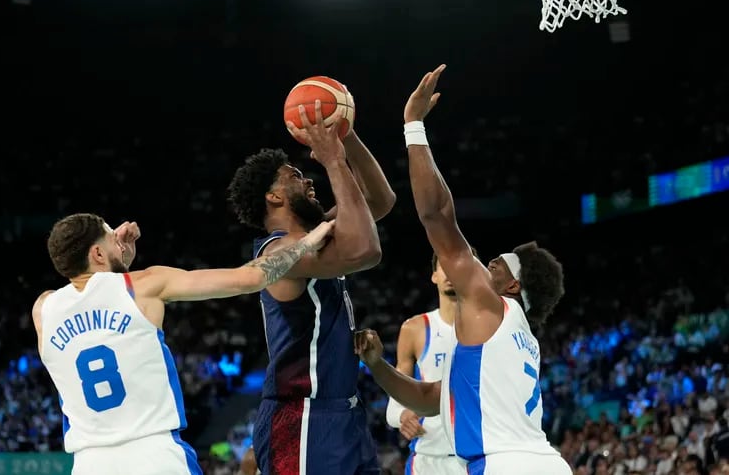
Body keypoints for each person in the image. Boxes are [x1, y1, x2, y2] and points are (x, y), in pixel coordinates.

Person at [354, 65, 571, 475]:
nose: (487, 262)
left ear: (513, 284)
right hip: (542, 462)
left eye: (498, 263)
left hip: (505, 466)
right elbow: (429, 398)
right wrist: (378, 365)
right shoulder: (514, 339)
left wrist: (413, 126)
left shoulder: (492, 306)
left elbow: (436, 214)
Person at [33, 212, 335, 475]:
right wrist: (306, 243)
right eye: (114, 239)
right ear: (98, 254)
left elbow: (96, 301)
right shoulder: (145, 284)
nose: (120, 242)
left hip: (89, 464)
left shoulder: (43, 309)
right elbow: (249, 278)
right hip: (155, 455)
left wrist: (116, 257)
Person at [227, 99, 396, 475]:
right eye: (294, 176)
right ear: (273, 197)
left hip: (344, 411)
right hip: (301, 416)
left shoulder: (314, 235)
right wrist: (334, 161)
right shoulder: (282, 250)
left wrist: (346, 136)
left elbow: (381, 201)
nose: (308, 180)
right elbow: (366, 250)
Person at [385, 250, 475, 474]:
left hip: (474, 458)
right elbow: (397, 395)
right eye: (444, 266)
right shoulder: (415, 329)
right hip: (428, 459)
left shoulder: (489, 329)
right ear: (434, 275)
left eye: (457, 265)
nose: (450, 272)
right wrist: (402, 416)